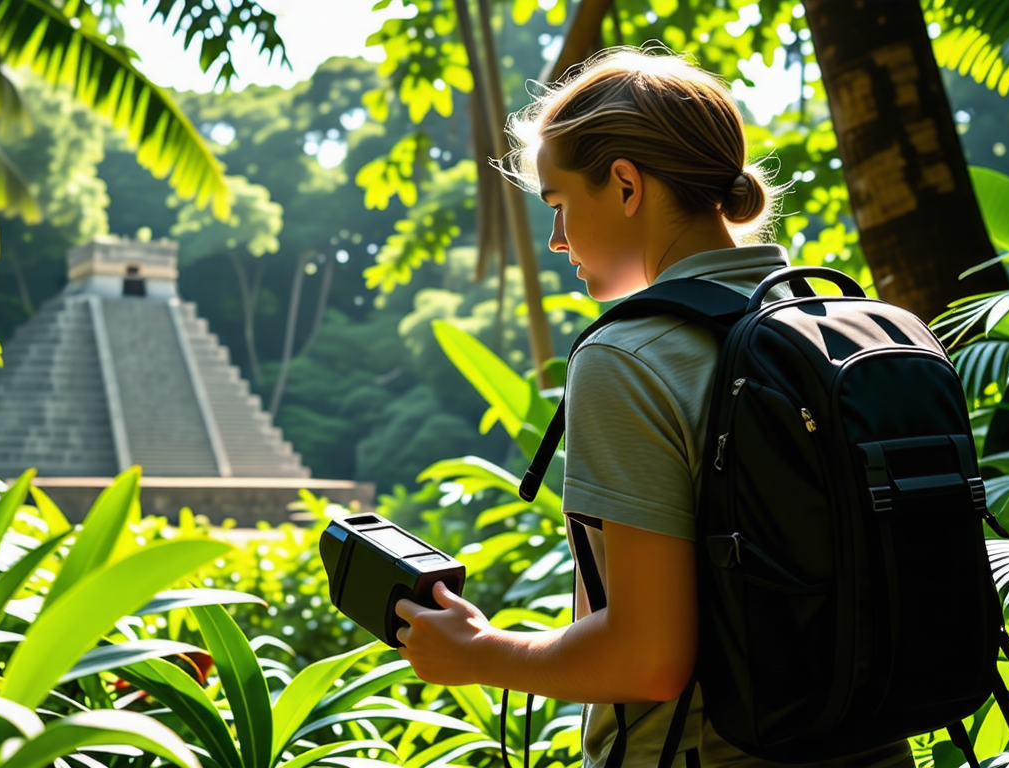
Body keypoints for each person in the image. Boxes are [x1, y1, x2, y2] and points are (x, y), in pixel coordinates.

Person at [392, 47, 915, 768]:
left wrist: (479, 652)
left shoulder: (630, 358)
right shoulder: (836, 327)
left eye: (560, 203)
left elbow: (648, 658)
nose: (557, 239)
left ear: (628, 184)